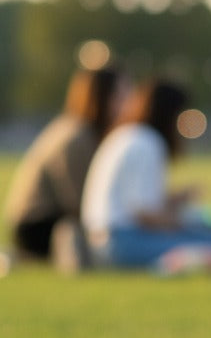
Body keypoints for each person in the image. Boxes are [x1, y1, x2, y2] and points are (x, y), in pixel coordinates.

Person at [81, 79, 211, 269]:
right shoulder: (147, 142)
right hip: (122, 243)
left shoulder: (127, 135)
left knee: (206, 237)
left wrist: (176, 200)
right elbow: (145, 214)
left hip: (102, 239)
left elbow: (134, 202)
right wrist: (182, 223)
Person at [5, 65, 128, 260]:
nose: (127, 102)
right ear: (102, 97)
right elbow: (78, 201)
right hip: (37, 226)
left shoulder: (78, 129)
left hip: (44, 221)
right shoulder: (77, 136)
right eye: (121, 94)